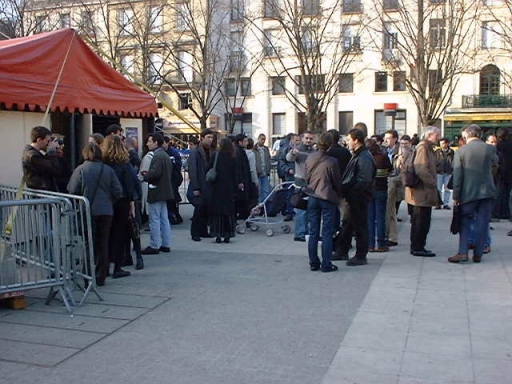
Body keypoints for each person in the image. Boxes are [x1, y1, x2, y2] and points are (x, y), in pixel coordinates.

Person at [67, 144, 123, 286]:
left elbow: (72, 190)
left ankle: (87, 276)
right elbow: (118, 190)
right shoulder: (107, 170)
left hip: (88, 210)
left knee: (88, 244)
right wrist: (109, 201)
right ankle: (101, 275)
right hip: (106, 211)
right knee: (103, 243)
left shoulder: (80, 170)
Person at [448, 124, 497, 263]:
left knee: (465, 222)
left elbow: (457, 176)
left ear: (466, 135)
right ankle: (478, 254)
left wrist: (456, 196)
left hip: (468, 193)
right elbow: (496, 164)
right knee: (483, 223)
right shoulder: (490, 149)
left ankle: (463, 252)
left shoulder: (461, 151)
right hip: (487, 192)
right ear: (479, 135)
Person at [333, 127, 376, 266]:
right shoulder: (358, 155)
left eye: (349, 140)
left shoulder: (364, 156)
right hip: (354, 196)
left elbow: (364, 180)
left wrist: (352, 193)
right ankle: (342, 250)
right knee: (348, 224)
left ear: (356, 140)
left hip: (359, 197)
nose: (347, 142)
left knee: (360, 226)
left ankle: (360, 255)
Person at [303, 132, 342, 272]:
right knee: (327, 232)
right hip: (327, 197)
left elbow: (305, 177)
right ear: (330, 144)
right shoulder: (332, 161)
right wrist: (339, 194)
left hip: (313, 196)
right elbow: (336, 182)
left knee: (313, 231)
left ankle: (313, 262)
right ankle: (326, 263)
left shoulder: (310, 158)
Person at [101, 135, 136, 278]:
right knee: (119, 234)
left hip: (106, 201)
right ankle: (117, 267)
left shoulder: (103, 163)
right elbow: (129, 186)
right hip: (121, 202)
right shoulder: (124, 163)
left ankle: (104, 267)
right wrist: (131, 204)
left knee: (106, 235)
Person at [405, 126, 441, 257]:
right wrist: (432, 183)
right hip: (422, 192)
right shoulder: (423, 147)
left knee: (422, 220)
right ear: (429, 135)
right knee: (420, 220)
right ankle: (417, 247)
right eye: (437, 135)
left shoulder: (427, 148)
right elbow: (420, 169)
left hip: (424, 191)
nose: (439, 137)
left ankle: (419, 245)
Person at [141, 133, 174, 255]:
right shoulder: (164, 155)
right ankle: (166, 243)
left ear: (156, 142)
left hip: (156, 190)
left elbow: (155, 173)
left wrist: (145, 176)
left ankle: (154, 244)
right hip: (164, 190)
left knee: (154, 218)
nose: (147, 143)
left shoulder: (157, 156)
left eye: (150, 141)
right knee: (163, 218)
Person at [206, 138, 238, 243]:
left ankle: (218, 234)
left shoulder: (216, 155)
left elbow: (209, 168)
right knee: (228, 213)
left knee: (217, 213)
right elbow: (235, 175)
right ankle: (228, 234)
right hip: (228, 189)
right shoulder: (233, 157)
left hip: (216, 188)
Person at [286, 131, 315, 241]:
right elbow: (289, 158)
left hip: (311, 184)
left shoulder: (314, 151)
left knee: (309, 210)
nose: (309, 140)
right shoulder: (297, 149)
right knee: (301, 210)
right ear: (302, 139)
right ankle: (299, 234)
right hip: (300, 183)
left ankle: (306, 232)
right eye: (307, 138)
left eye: (311, 138)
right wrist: (293, 152)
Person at [187, 129, 215, 241]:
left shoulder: (211, 151)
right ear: (202, 138)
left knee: (205, 209)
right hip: (200, 184)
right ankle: (195, 232)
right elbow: (192, 170)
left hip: (208, 185)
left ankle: (203, 231)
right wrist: (196, 187)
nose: (210, 140)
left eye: (211, 137)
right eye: (208, 137)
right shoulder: (195, 152)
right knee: (198, 209)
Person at [367, 140, 392, 253]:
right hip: (381, 189)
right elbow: (390, 170)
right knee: (380, 217)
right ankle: (381, 244)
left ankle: (370, 244)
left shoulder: (366, 158)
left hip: (369, 191)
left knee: (370, 218)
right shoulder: (383, 157)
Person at [22, 126, 61, 191]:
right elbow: (54, 169)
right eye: (47, 141)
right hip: (41, 191)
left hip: (43, 191)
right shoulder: (33, 156)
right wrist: (52, 152)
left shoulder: (33, 153)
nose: (48, 144)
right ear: (39, 140)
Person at [383, 130, 401, 247]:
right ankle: (392, 236)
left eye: (388, 138)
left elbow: (402, 171)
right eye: (385, 138)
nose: (386, 140)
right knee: (391, 211)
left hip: (393, 181)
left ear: (395, 139)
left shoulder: (400, 151)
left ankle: (387, 235)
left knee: (389, 210)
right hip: (385, 181)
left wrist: (393, 179)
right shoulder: (384, 150)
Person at [233, 134, 252, 221]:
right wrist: (240, 181)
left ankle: (245, 217)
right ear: (240, 142)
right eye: (245, 141)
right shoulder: (238, 152)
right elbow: (238, 167)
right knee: (240, 201)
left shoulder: (240, 151)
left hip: (244, 179)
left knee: (243, 201)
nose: (247, 143)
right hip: (242, 180)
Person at [434, 137, 454, 210]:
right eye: (440, 144)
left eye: (443, 143)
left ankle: (446, 204)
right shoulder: (436, 152)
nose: (441, 145)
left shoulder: (451, 152)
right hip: (439, 172)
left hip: (448, 172)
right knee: (438, 189)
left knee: (447, 189)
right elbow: (434, 161)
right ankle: (438, 203)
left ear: (446, 143)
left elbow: (453, 161)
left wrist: (452, 168)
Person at [253, 133, 272, 203]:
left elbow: (269, 159)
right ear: (258, 139)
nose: (263, 141)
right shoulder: (254, 149)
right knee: (258, 191)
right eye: (262, 139)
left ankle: (265, 206)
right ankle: (259, 206)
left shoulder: (266, 149)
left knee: (265, 191)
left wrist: (268, 168)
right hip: (257, 173)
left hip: (265, 173)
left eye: (264, 140)